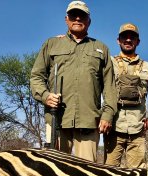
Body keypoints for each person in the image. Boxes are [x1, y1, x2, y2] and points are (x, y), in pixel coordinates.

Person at [30, 1, 117, 162]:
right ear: (66, 19)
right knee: (55, 174)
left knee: (88, 175)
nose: (77, 18)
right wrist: (45, 95)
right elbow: (36, 76)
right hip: (57, 120)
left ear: (89, 21)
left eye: (82, 15)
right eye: (73, 15)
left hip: (89, 122)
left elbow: (110, 87)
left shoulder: (100, 48)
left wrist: (107, 115)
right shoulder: (51, 44)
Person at [104, 23, 148, 168]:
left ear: (138, 41)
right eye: (125, 37)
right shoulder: (108, 63)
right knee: (109, 173)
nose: (128, 40)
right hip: (113, 128)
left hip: (138, 129)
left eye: (133, 37)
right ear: (118, 40)